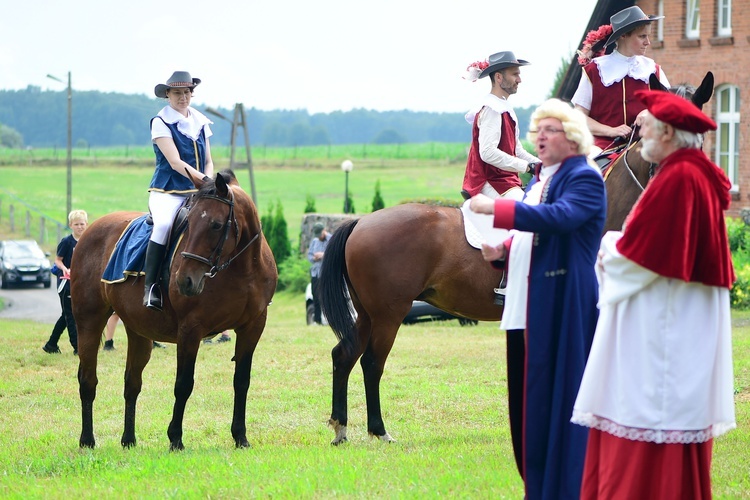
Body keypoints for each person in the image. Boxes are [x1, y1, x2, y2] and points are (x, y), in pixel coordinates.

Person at [571, 90, 736, 499]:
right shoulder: (689, 171)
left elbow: (640, 257)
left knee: (652, 416)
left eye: (648, 125)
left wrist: (603, 247)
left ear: (667, 133)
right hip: (679, 312)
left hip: (666, 321)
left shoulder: (679, 178)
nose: (640, 130)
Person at [470, 99, 606, 498]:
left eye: (551, 130)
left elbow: (561, 219)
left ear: (574, 136)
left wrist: (499, 210)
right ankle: (541, 487)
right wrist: (506, 250)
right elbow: (537, 235)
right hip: (528, 305)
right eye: (538, 130)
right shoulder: (543, 178)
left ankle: (565, 487)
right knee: (531, 408)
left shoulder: (583, 176)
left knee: (560, 402)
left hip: (563, 300)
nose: (540, 137)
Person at [144, 70, 214, 311]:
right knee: (163, 225)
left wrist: (210, 183)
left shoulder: (201, 122)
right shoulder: (160, 122)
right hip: (167, 192)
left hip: (198, 191)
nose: (183, 97)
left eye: (186, 92)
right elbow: (175, 162)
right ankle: (150, 286)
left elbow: (208, 160)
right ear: (168, 95)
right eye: (177, 93)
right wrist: (204, 181)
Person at [572, 6, 670, 151]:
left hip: (646, 147)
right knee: (587, 171)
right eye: (642, 36)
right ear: (623, 35)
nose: (648, 42)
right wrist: (610, 130)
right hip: (603, 148)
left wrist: (648, 112)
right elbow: (578, 117)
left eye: (648, 36)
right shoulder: (595, 69)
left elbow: (670, 107)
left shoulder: (653, 69)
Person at [462, 51, 540, 202]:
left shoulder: (502, 106)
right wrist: (528, 167)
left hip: (504, 181)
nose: (519, 80)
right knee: (529, 212)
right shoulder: (492, 108)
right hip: (489, 182)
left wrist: (542, 165)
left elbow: (516, 151)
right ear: (499, 77)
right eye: (515, 74)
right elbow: (488, 153)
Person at [42, 209, 88, 355]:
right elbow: (57, 260)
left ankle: (51, 344)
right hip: (66, 283)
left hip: (81, 283)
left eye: (82, 224)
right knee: (70, 315)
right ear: (70, 225)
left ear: (86, 224)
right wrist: (65, 269)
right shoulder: (66, 242)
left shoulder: (88, 241)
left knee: (67, 315)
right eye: (76, 224)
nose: (80, 227)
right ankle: (77, 347)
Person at [307, 222, 331, 326]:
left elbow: (334, 255)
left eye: (320, 234)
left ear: (324, 230)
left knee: (327, 297)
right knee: (315, 296)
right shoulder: (314, 241)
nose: (319, 237)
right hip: (315, 273)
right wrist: (314, 258)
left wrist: (323, 255)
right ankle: (317, 320)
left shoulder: (331, 240)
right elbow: (309, 255)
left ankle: (331, 320)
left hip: (326, 273)